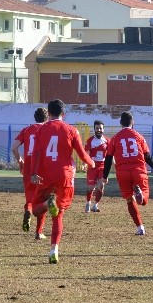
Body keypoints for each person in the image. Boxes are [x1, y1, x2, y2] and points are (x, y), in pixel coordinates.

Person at [28, 99, 95, 265]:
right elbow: (81, 153)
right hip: (64, 176)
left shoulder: (41, 129)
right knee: (58, 215)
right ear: (63, 114)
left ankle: (45, 205)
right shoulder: (71, 130)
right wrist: (91, 163)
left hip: (45, 175)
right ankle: (54, 250)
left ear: (49, 113)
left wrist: (34, 173)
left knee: (36, 210)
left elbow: (36, 153)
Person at [102, 111, 153, 236]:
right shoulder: (138, 136)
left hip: (122, 172)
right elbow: (147, 157)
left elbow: (109, 158)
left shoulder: (115, 138)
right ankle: (141, 196)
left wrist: (104, 177)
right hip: (138, 170)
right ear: (133, 123)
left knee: (129, 199)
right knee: (144, 199)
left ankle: (140, 227)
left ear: (120, 123)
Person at [10, 106, 48, 233]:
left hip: (28, 168)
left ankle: (28, 210)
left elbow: (14, 148)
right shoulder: (47, 130)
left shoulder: (26, 130)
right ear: (46, 118)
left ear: (34, 118)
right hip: (41, 168)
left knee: (30, 197)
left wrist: (20, 160)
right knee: (42, 199)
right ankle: (39, 231)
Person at [83, 120, 108, 213]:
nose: (99, 130)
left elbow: (110, 156)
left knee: (101, 186)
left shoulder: (107, 141)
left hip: (102, 166)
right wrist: (85, 164)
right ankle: (88, 202)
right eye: (97, 128)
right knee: (91, 188)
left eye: (100, 128)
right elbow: (86, 154)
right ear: (94, 129)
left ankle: (95, 205)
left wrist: (115, 165)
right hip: (92, 166)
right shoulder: (90, 141)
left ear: (103, 129)